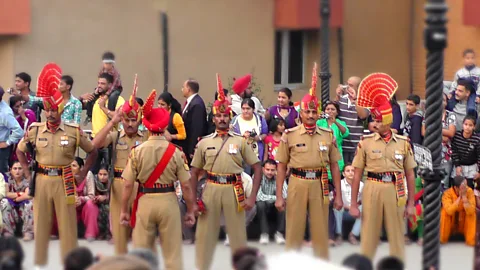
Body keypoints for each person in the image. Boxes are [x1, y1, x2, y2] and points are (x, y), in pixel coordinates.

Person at [15, 63, 97, 269]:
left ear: (60, 110)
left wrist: (83, 172)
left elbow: (93, 151)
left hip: (65, 178)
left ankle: (71, 263)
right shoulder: (35, 129)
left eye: (54, 110)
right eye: (48, 110)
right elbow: (19, 150)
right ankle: (40, 263)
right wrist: (26, 172)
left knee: (67, 224)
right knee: (41, 224)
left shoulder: (72, 130)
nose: (50, 114)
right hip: (41, 178)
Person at [190, 74, 261, 270]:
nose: (222, 119)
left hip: (234, 189)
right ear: (213, 118)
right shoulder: (204, 142)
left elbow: (257, 167)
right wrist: (194, 201)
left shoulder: (239, 141)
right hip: (211, 188)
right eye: (218, 116)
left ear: (230, 117)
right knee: (205, 238)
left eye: (225, 116)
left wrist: (252, 197)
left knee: (238, 238)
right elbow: (194, 173)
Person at [120, 89, 196, 270]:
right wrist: (191, 210)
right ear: (164, 126)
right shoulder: (176, 152)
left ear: (146, 126)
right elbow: (185, 185)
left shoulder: (137, 152)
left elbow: (128, 184)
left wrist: (124, 210)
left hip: (145, 201)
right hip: (168, 200)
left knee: (141, 254)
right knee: (172, 254)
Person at [275, 63, 343, 259]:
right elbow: (281, 167)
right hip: (297, 181)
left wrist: (338, 194)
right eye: (308, 112)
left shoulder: (328, 135)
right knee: (295, 227)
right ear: (301, 113)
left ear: (318, 113)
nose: (311, 116)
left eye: (314, 112)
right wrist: (279, 195)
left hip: (320, 183)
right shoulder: (290, 135)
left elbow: (335, 166)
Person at [349, 73, 416, 262]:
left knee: (396, 234)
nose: (374, 124)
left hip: (396, 189)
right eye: (373, 120)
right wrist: (354, 203)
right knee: (369, 234)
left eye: (379, 121)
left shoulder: (403, 143)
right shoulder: (365, 142)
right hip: (372, 187)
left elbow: (410, 175)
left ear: (388, 121)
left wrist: (411, 203)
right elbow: (357, 174)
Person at [91, 81, 147, 255]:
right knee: (119, 232)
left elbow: (166, 140)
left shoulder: (147, 136)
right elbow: (95, 144)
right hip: (118, 184)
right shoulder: (115, 135)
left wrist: (150, 119)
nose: (130, 124)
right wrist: (111, 122)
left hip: (140, 186)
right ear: (122, 120)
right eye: (126, 120)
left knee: (141, 233)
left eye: (133, 120)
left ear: (138, 120)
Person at [422, 93, 456, 188]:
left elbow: (451, 133)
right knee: (428, 183)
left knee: (443, 184)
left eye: (443, 100)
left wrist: (434, 130)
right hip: (430, 154)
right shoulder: (428, 114)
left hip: (446, 156)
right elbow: (424, 132)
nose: (441, 102)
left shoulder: (451, 115)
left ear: (446, 102)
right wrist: (443, 135)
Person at [334, 76, 369, 163]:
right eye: (347, 84)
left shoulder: (364, 101)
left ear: (358, 87)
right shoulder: (342, 99)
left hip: (355, 145)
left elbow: (362, 116)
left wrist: (355, 99)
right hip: (341, 145)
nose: (347, 88)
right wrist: (337, 95)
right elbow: (332, 113)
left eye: (351, 85)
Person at [230, 98, 268, 173]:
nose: (245, 111)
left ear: (253, 109)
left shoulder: (259, 119)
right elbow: (231, 137)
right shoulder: (235, 120)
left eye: (248, 108)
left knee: (257, 178)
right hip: (241, 157)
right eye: (243, 109)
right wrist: (242, 137)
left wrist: (258, 138)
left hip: (257, 155)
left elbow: (265, 134)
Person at [256, 159, 287, 245]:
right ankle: (264, 234)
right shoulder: (257, 177)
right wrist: (276, 198)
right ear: (263, 169)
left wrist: (278, 200)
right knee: (260, 204)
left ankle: (279, 234)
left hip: (275, 206)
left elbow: (284, 196)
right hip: (263, 205)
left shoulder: (280, 178)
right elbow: (258, 196)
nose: (270, 172)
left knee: (282, 205)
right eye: (267, 169)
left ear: (276, 170)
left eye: (272, 170)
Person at [1, 161, 33, 240]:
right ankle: (7, 232)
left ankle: (28, 232)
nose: (17, 171)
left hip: (23, 209)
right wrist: (20, 194)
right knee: (4, 202)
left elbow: (28, 195)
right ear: (10, 170)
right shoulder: (7, 178)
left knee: (29, 203)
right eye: (15, 168)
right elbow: (6, 193)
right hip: (12, 209)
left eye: (20, 168)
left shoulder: (27, 179)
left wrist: (17, 198)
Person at [440, 176, 476, 246]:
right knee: (444, 212)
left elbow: (471, 210)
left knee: (472, 214)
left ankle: (471, 240)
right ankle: (443, 238)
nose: (466, 188)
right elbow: (449, 211)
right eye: (463, 187)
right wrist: (459, 198)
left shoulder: (469, 191)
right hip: (452, 224)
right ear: (456, 188)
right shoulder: (447, 193)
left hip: (463, 223)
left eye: (466, 185)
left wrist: (465, 198)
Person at [317, 101, 349, 176]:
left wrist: (335, 122)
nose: (330, 111)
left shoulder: (340, 122)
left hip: (336, 154)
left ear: (337, 112)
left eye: (333, 109)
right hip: (322, 153)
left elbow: (346, 133)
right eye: (327, 109)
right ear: (324, 111)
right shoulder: (320, 122)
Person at [334, 164, 363, 245]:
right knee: (336, 208)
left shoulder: (361, 185)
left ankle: (353, 235)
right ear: (343, 174)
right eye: (348, 171)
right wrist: (349, 207)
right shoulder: (339, 184)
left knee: (364, 208)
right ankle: (339, 235)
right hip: (343, 212)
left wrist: (356, 207)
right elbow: (336, 201)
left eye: (353, 171)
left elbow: (362, 201)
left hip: (356, 213)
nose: (351, 173)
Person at [181, 79, 207, 164]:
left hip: (191, 146)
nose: (182, 89)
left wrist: (193, 148)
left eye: (183, 87)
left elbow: (197, 128)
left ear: (188, 89)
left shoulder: (197, 104)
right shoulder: (191, 102)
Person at [71, 157, 98, 241]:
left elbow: (91, 195)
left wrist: (81, 199)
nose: (71, 168)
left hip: (84, 205)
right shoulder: (67, 174)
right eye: (70, 166)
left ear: (82, 167)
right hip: (72, 204)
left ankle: (90, 233)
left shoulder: (88, 174)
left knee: (91, 205)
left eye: (74, 166)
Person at [450, 115, 480, 189]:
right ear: (462, 125)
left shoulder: (477, 139)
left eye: (470, 125)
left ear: (474, 127)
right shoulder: (457, 136)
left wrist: (479, 172)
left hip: (472, 167)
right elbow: (454, 152)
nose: (467, 127)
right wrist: (457, 166)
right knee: (456, 187)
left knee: (470, 187)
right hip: (459, 166)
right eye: (466, 124)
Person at [0, 87, 24, 174]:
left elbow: (19, 131)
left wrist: (7, 143)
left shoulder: (5, 113)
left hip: (1, 149)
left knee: (1, 178)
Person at [8, 95, 36, 163]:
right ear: (12, 108)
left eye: (21, 105)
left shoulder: (29, 113)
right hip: (14, 148)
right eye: (17, 106)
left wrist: (24, 118)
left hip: (27, 146)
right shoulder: (10, 117)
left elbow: (32, 130)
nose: (20, 108)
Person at [93, 165, 111, 240]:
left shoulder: (112, 183)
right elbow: (91, 193)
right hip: (98, 204)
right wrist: (96, 198)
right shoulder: (94, 181)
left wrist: (106, 198)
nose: (102, 177)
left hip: (110, 203)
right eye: (100, 174)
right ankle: (100, 233)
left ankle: (108, 233)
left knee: (107, 208)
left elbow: (116, 196)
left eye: (105, 174)